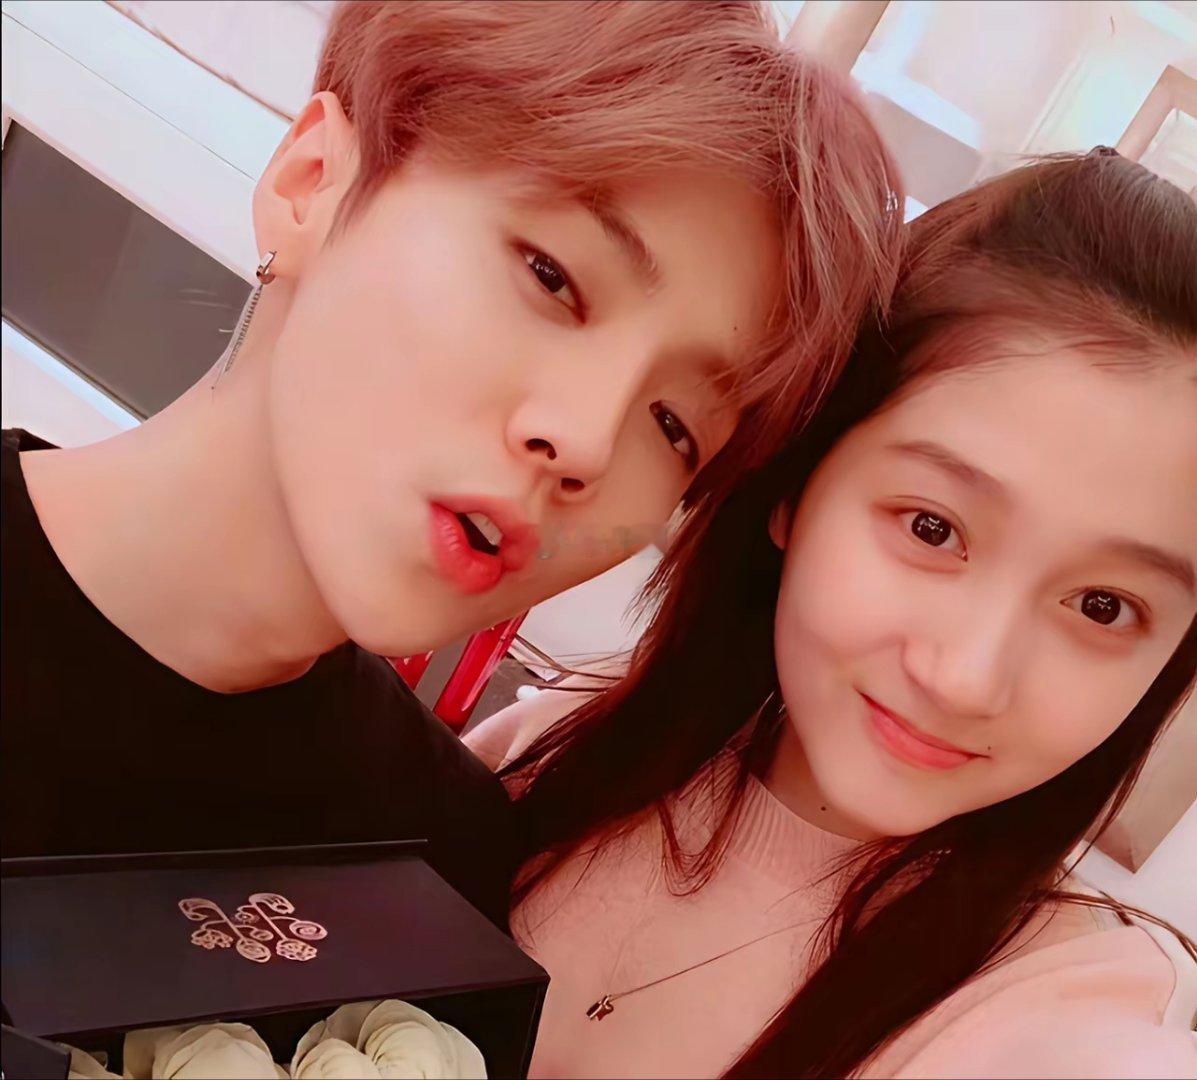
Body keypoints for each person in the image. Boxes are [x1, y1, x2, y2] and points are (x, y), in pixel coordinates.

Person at [0, 0, 901, 927]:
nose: (586, 442)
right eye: (551, 277)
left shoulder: (436, 877)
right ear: (312, 182)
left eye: (674, 427)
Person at [468, 149, 1197, 1070]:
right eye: (931, 527)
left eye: (1102, 605)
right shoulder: (555, 747)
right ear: (797, 486)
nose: (967, 679)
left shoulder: (1056, 1010)